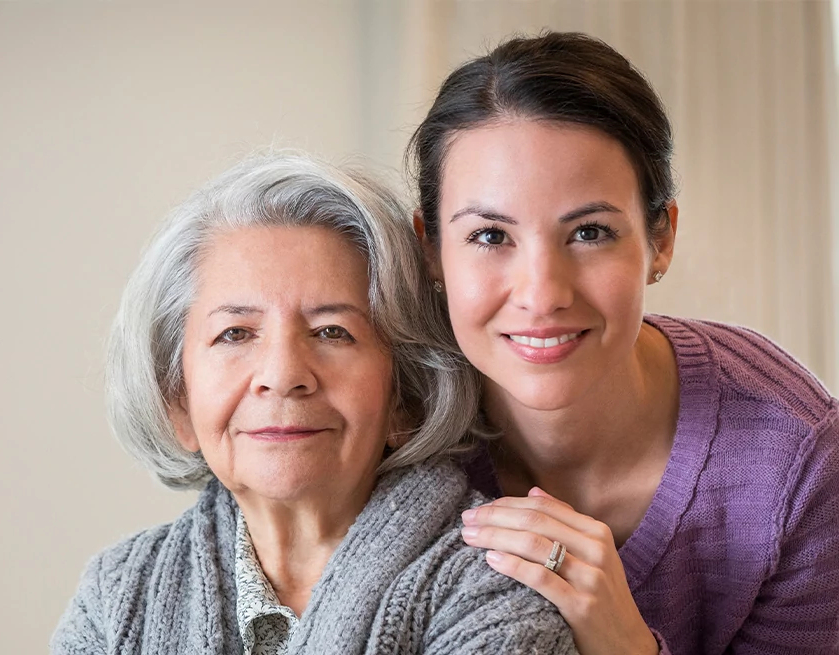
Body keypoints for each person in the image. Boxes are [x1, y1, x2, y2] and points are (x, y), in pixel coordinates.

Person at [408, 31, 839, 655]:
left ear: (660, 239)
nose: (542, 294)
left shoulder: (792, 455)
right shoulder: (391, 424)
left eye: (589, 232)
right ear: (430, 249)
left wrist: (625, 644)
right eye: (489, 236)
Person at [51, 152, 577, 654]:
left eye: (332, 332)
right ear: (178, 400)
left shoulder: (497, 588)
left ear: (406, 395)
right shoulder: (114, 597)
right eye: (235, 334)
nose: (283, 377)